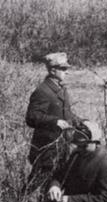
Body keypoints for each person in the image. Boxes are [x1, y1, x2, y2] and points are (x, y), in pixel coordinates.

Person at [25, 52, 84, 193]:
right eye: (63, 69)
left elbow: (66, 114)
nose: (67, 72)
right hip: (46, 148)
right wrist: (55, 121)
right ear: (52, 70)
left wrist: (82, 122)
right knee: (36, 183)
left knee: (55, 183)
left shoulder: (61, 89)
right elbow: (31, 117)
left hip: (61, 146)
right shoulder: (43, 91)